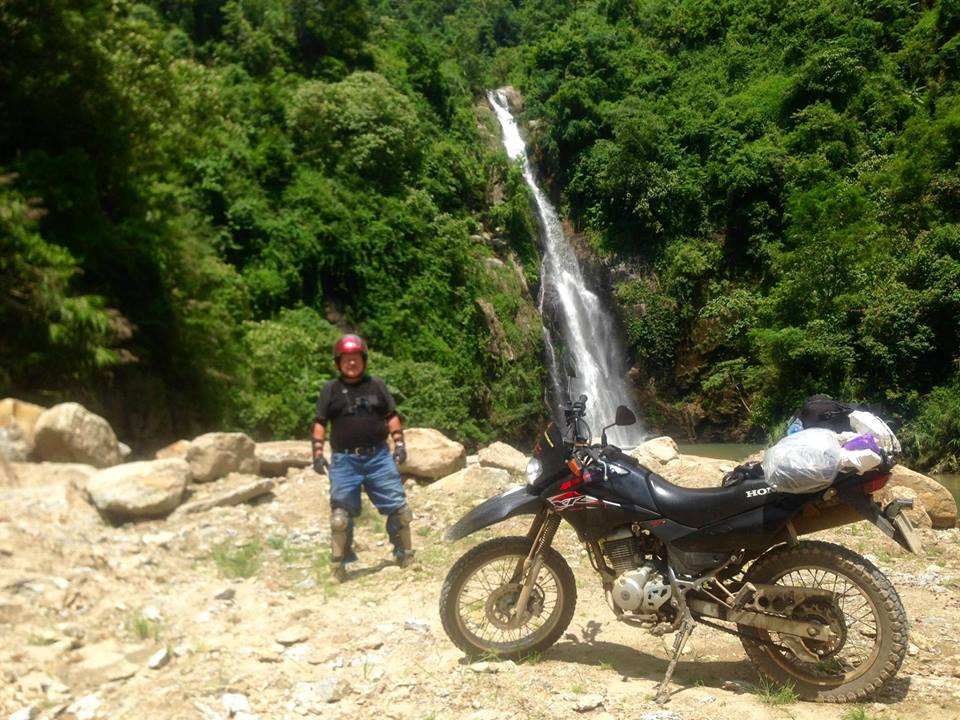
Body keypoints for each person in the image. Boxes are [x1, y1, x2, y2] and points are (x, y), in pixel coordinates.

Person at [311, 333, 413, 582]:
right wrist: (316, 453)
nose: (352, 363)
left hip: (378, 457)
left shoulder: (376, 385)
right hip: (344, 461)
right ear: (338, 362)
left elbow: (391, 415)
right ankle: (338, 566)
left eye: (356, 358)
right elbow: (320, 422)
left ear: (363, 360)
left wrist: (399, 444)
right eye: (346, 359)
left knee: (401, 511)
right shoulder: (330, 390)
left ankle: (406, 555)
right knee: (340, 518)